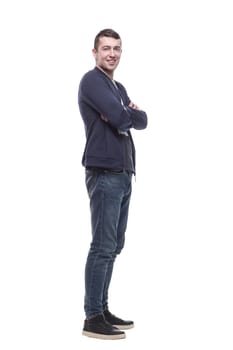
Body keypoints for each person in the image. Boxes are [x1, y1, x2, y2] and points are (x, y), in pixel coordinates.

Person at [78, 28, 148, 340]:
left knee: (115, 245)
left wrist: (124, 113)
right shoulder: (92, 81)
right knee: (102, 246)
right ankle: (92, 316)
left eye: (116, 48)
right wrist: (122, 114)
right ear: (95, 52)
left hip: (123, 172)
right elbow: (123, 120)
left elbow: (142, 119)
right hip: (104, 172)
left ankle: (102, 308)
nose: (112, 53)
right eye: (106, 48)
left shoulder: (117, 86)